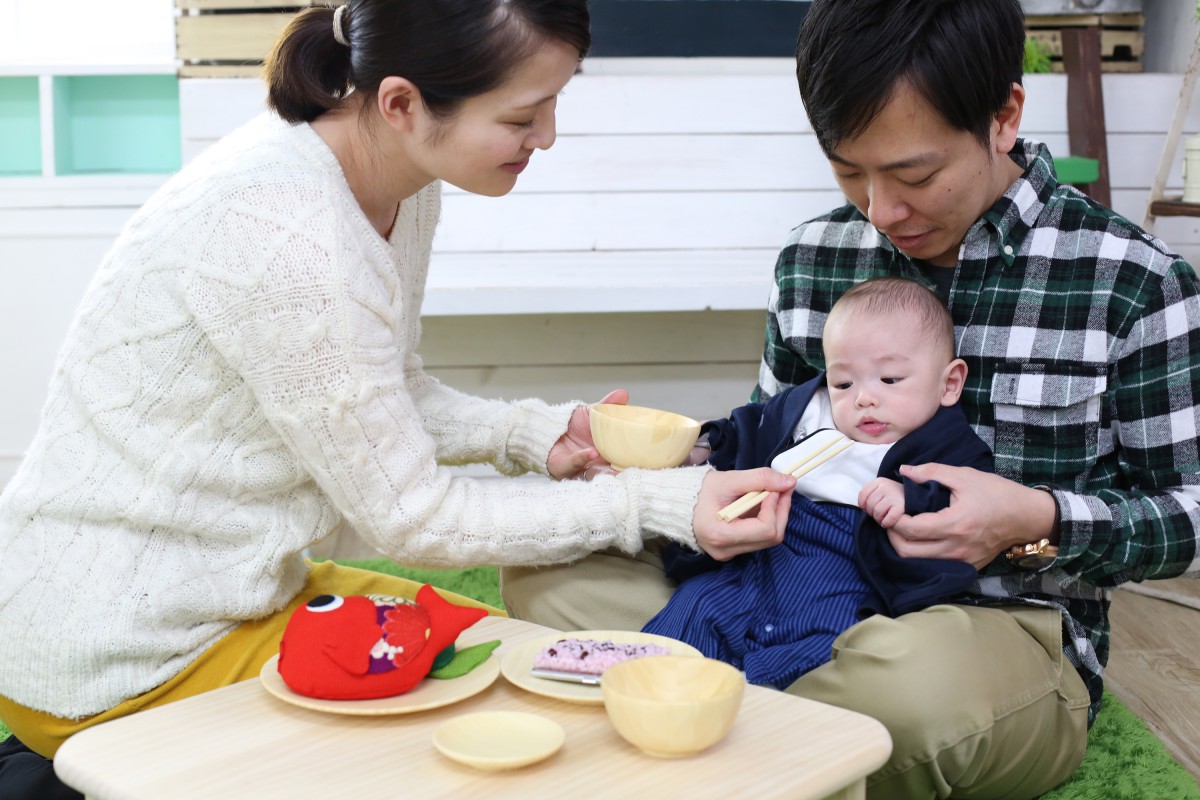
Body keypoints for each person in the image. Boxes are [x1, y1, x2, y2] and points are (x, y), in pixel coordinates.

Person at [0, 2, 798, 796]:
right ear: (403, 103)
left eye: (556, 100)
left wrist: (537, 432)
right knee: (492, 716)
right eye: (522, 114)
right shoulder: (288, 235)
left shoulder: (395, 179)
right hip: (126, 654)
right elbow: (413, 518)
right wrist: (657, 501)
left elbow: (387, 388)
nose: (546, 136)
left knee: (507, 651)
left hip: (233, 594)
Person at [501, 0, 1200, 796]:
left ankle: (686, 707)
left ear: (1004, 116)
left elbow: (1188, 514)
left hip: (986, 622)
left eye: (915, 174)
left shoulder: (1134, 283)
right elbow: (763, 454)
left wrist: (1035, 520)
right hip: (780, 577)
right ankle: (757, 724)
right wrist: (648, 473)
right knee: (547, 569)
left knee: (908, 693)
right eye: (847, 169)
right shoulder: (815, 255)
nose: (881, 210)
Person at [643, 277, 994, 689]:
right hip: (762, 552)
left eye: (890, 380)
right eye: (844, 382)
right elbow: (751, 426)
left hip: (847, 573)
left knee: (831, 648)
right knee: (696, 604)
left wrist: (909, 499)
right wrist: (704, 444)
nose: (863, 397)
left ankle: (752, 701)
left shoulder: (945, 443)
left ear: (948, 384)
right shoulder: (811, 410)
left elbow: (965, 502)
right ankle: (647, 684)